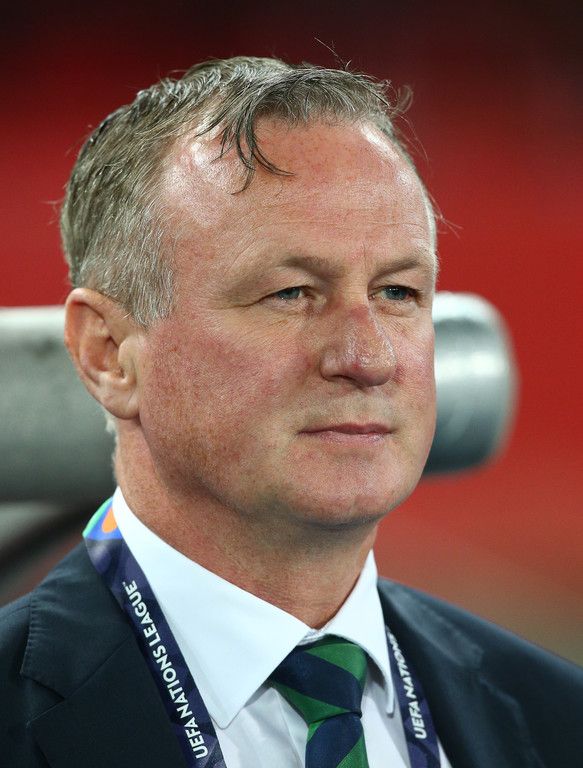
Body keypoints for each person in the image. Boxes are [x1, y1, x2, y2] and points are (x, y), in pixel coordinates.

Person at [0, 56, 581, 768]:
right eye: (291, 293)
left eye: (397, 292)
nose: (367, 357)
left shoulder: (559, 721)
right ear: (109, 353)